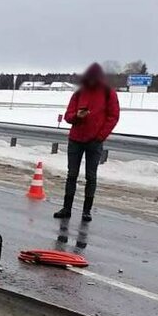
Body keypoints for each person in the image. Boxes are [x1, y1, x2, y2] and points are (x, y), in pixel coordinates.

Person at [55, 63, 120, 222]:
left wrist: (100, 136)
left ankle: (86, 211)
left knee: (91, 176)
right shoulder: (79, 93)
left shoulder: (107, 93)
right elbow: (68, 116)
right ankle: (67, 208)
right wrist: (77, 115)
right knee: (72, 174)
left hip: (94, 141)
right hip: (76, 139)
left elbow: (113, 116)